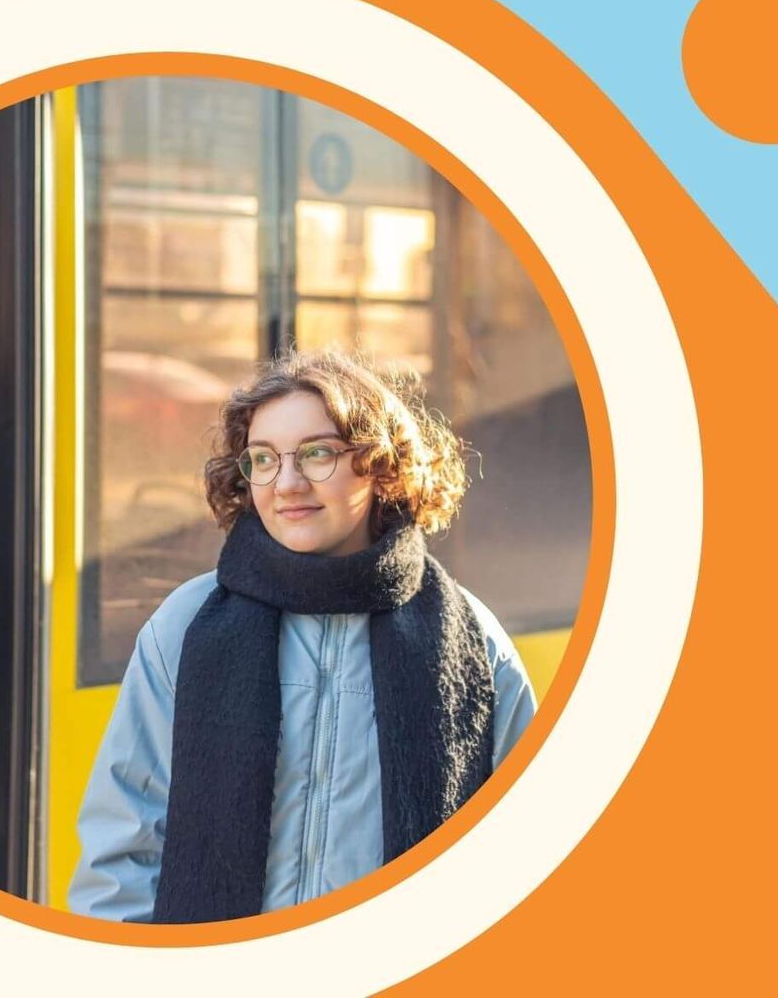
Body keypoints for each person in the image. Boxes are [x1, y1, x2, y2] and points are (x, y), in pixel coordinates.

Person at [68, 349, 537, 923]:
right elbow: (124, 855)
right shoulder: (184, 626)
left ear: (379, 465)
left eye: (317, 454)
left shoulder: (475, 647)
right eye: (262, 459)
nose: (286, 483)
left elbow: (519, 868)